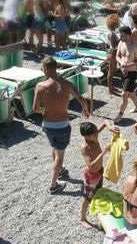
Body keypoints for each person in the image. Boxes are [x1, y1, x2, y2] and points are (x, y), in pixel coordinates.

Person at [33, 56, 90, 193]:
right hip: (63, 125)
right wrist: (86, 110)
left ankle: (60, 170)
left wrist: (44, 111)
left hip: (47, 125)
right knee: (60, 155)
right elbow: (81, 99)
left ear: (46, 69)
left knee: (55, 147)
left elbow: (35, 108)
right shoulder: (67, 84)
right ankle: (53, 185)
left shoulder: (40, 86)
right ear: (56, 67)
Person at [79, 120, 119, 228]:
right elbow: (90, 166)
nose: (97, 135)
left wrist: (110, 127)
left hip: (100, 171)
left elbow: (105, 122)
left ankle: (98, 212)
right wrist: (103, 152)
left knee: (98, 193)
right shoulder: (85, 147)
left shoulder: (94, 135)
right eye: (95, 134)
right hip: (91, 176)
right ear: (87, 136)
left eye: (97, 132)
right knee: (88, 198)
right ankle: (82, 218)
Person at [114, 26, 137, 123]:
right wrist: (122, 63)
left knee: (124, 94)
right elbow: (117, 56)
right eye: (120, 36)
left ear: (128, 35)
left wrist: (129, 65)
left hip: (131, 73)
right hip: (123, 72)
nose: (120, 38)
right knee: (130, 92)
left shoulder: (136, 47)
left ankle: (120, 114)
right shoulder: (121, 43)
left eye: (122, 36)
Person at [105, 14, 121, 96]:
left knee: (112, 72)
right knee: (111, 73)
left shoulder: (114, 31)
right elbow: (114, 46)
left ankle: (111, 87)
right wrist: (121, 39)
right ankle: (110, 89)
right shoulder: (112, 34)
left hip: (114, 53)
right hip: (113, 53)